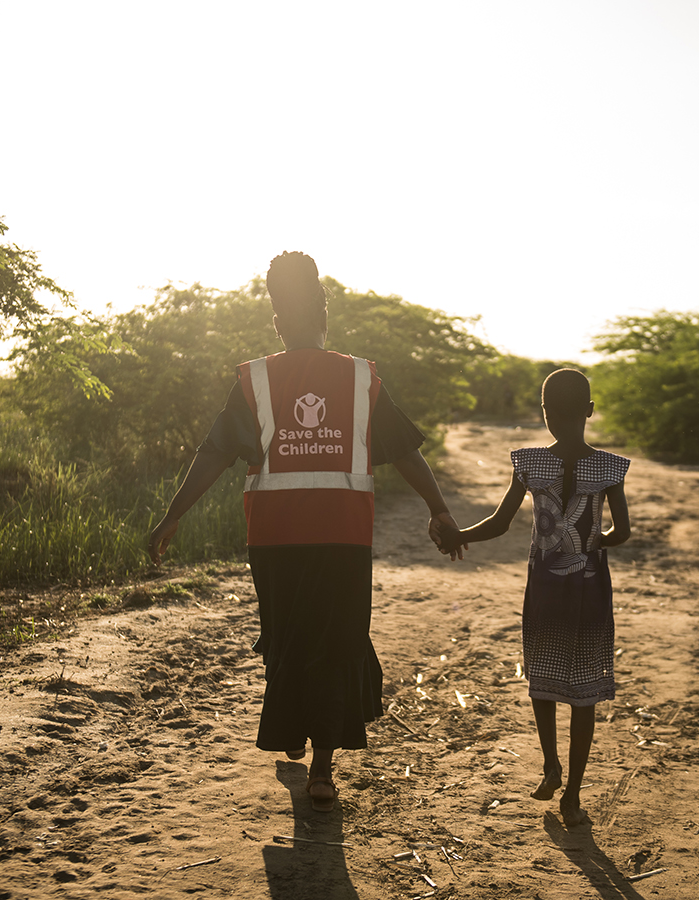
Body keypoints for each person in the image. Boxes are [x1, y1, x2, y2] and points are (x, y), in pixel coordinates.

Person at [147, 251, 462, 813]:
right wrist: (438, 509)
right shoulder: (360, 376)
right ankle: (319, 765)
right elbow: (407, 453)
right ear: (324, 315)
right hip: (344, 536)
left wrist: (174, 514)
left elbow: (214, 454)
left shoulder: (256, 377)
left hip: (274, 539)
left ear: (276, 320)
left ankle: (311, 753)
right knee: (334, 641)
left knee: (288, 638)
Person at [437, 368, 630, 826]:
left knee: (542, 675)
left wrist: (457, 535)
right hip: (589, 589)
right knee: (584, 691)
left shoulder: (530, 462)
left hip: (544, 587)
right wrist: (591, 541)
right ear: (589, 411)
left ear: (544, 413)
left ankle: (550, 767)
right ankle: (574, 797)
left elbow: (501, 523)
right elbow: (621, 532)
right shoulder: (609, 467)